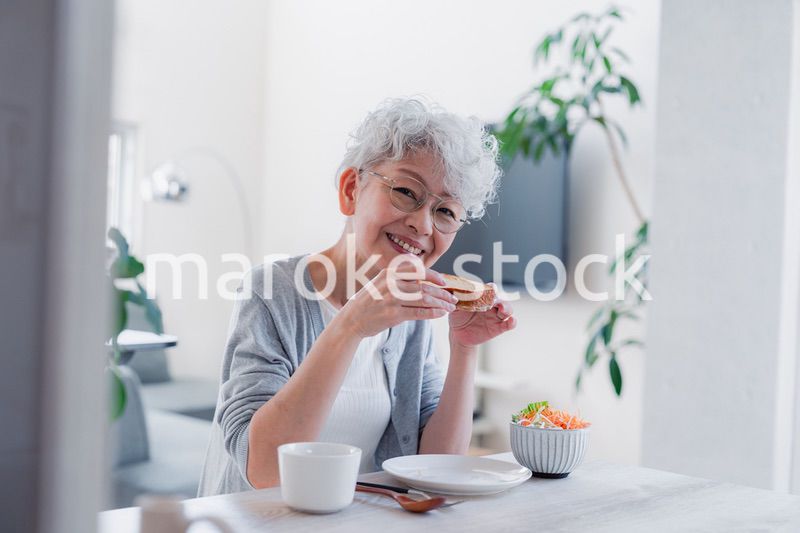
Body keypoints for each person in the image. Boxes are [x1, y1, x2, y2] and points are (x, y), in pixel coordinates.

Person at [198, 97, 517, 496]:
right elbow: (264, 470)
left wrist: (464, 349)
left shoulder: (410, 316)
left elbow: (437, 466)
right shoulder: (271, 293)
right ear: (351, 190)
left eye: (446, 212)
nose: (422, 223)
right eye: (405, 191)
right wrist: (351, 324)